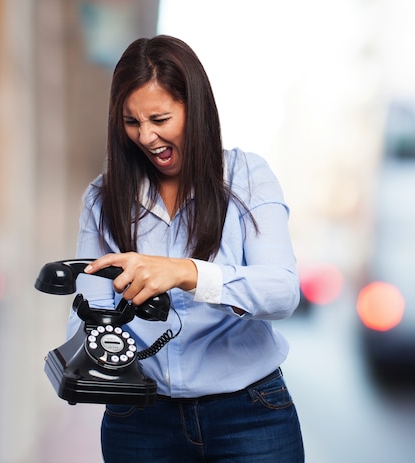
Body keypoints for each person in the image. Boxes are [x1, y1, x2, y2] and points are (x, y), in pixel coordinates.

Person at [68, 34, 305, 462]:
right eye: (131, 122)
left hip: (250, 414)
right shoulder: (102, 197)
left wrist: (186, 272)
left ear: (194, 108)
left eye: (160, 118)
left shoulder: (248, 177)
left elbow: (282, 291)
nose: (146, 136)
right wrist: (84, 364)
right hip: (139, 419)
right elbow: (89, 305)